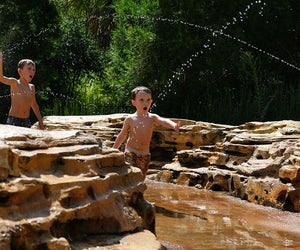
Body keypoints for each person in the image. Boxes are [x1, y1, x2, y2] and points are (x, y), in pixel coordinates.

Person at [113, 86, 180, 179]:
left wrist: (173, 125)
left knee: (141, 179)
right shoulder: (130, 119)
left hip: (145, 155)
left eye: (148, 100)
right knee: (130, 178)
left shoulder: (152, 117)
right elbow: (122, 135)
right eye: (141, 100)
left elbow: (163, 120)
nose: (145, 103)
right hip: (131, 153)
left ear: (151, 102)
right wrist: (113, 150)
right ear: (134, 102)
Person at [0, 52, 44, 129]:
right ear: (20, 71)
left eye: (34, 70)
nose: (32, 72)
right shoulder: (15, 83)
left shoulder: (32, 87)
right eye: (29, 68)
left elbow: (34, 105)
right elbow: (1, 78)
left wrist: (40, 121)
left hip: (26, 121)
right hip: (14, 120)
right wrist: (0, 62)